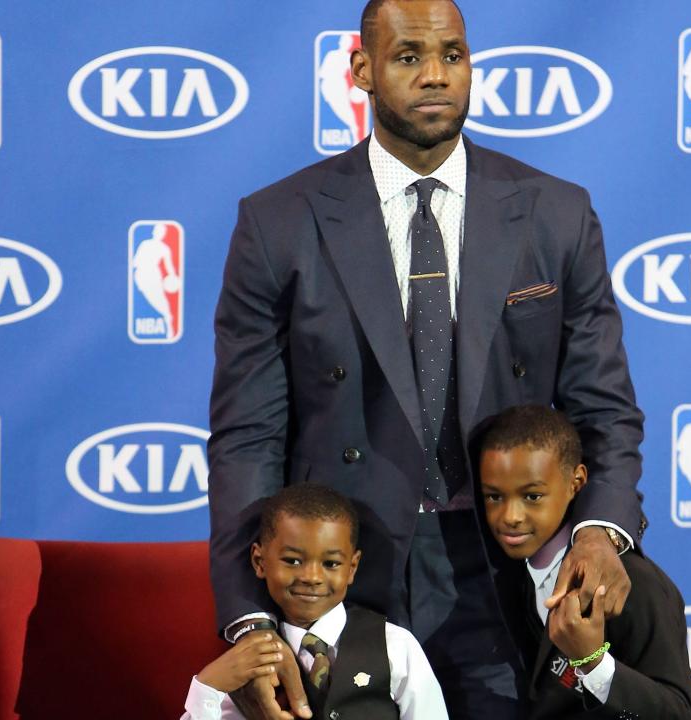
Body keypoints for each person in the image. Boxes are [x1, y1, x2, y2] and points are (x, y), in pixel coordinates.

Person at [207, 1, 645, 717]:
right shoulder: (278, 224)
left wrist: (599, 533)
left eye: (454, 56)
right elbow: (246, 439)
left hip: (506, 565)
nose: (436, 76)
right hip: (342, 573)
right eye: (409, 57)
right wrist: (254, 623)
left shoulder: (556, 213)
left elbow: (605, 411)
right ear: (362, 70)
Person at [479, 405, 691, 719]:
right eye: (494, 496)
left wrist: (593, 662)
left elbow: (683, 715)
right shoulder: (506, 578)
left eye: (532, 496)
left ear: (577, 481)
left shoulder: (632, 582)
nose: (510, 517)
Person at [183, 484, 448, 720]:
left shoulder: (397, 647)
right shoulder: (251, 662)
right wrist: (207, 685)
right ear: (259, 561)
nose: (311, 577)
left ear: (352, 567)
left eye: (331, 563)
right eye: (293, 561)